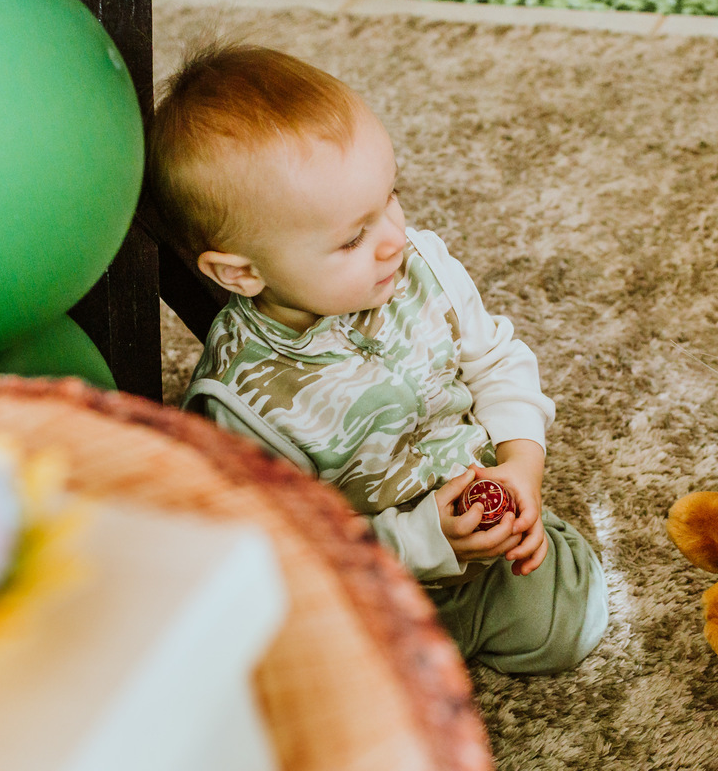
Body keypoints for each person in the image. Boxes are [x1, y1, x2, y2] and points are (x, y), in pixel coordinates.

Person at [147, 43, 608, 674]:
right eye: (353, 237)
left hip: (473, 531)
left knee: (565, 628)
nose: (395, 240)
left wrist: (520, 467)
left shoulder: (420, 267)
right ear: (242, 272)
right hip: (364, 578)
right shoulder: (242, 398)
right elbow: (288, 546)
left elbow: (497, 362)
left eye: (391, 197)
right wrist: (423, 543)